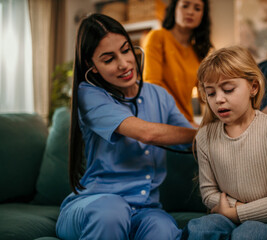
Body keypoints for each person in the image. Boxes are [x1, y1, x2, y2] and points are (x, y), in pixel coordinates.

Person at [55, 13, 196, 240]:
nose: (124, 64)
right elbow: (147, 133)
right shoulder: (88, 94)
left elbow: (189, 140)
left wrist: (236, 122)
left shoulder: (159, 95)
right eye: (109, 59)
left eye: (126, 50)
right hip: (93, 206)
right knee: (112, 211)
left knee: (163, 229)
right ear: (93, 66)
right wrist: (203, 132)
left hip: (145, 211)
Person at [182, 46, 267, 240]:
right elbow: (208, 193)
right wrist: (237, 211)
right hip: (226, 217)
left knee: (249, 233)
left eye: (228, 89)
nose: (219, 99)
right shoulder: (204, 136)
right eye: (210, 93)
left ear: (253, 87)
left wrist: (235, 212)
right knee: (199, 229)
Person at [143, 0, 212, 126]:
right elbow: (153, 86)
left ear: (203, 15)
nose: (190, 12)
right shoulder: (157, 37)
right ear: (174, 9)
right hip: (163, 120)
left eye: (197, 8)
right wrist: (186, 124)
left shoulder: (197, 52)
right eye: (185, 6)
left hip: (187, 121)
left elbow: (205, 95)